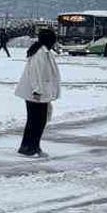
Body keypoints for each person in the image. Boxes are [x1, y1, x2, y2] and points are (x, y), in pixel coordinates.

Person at [15, 28, 61, 157]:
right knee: (36, 121)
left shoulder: (44, 51)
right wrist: (37, 90)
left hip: (40, 92)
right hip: (36, 93)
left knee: (36, 121)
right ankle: (30, 147)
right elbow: (36, 74)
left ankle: (31, 146)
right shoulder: (40, 53)